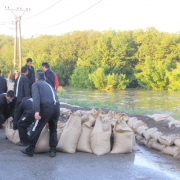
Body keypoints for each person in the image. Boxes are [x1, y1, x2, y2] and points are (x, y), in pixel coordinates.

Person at [20, 72, 60, 157]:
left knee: (36, 127)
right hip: (56, 107)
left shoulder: (36, 84)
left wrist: (37, 111)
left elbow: (36, 98)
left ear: (36, 78)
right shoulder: (49, 85)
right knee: (53, 129)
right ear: (44, 78)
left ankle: (30, 148)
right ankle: (53, 150)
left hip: (46, 107)